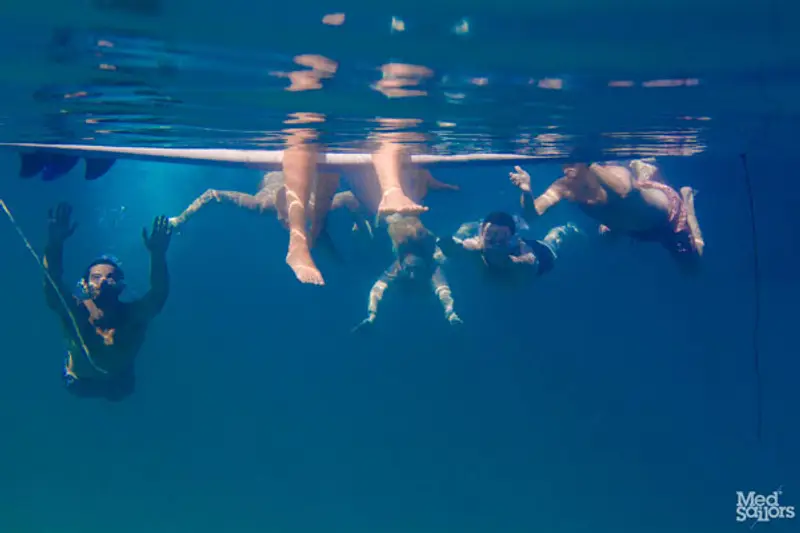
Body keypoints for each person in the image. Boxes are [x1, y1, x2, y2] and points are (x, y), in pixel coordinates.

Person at [43, 202, 172, 401]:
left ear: (120, 285)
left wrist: (158, 254)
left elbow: (158, 295)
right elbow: (52, 285)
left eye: (110, 277)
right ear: (84, 285)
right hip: (79, 383)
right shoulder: (77, 311)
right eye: (96, 277)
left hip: (119, 383)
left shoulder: (132, 315)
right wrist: (55, 243)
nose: (103, 280)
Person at [509, 159, 703, 271]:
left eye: (575, 162)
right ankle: (644, 172)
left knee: (693, 264)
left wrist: (590, 163)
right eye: (566, 164)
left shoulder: (612, 171)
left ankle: (688, 200)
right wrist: (526, 191)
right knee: (606, 237)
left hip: (668, 217)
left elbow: (624, 192)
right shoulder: (563, 187)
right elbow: (532, 215)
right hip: (633, 228)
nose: (568, 169)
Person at [352, 214, 461, 331]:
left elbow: (443, 291)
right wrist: (371, 316)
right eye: (409, 269)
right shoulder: (396, 267)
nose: (412, 275)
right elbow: (377, 290)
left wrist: (451, 314)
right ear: (401, 264)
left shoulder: (433, 266)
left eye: (417, 269)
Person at [441, 211, 579, 281]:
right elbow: (455, 247)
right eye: (491, 235)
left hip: (543, 256)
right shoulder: (477, 244)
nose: (495, 242)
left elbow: (530, 262)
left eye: (501, 239)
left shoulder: (520, 249)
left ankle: (566, 230)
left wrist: (513, 262)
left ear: (511, 238)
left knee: (552, 242)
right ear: (482, 233)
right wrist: (446, 243)